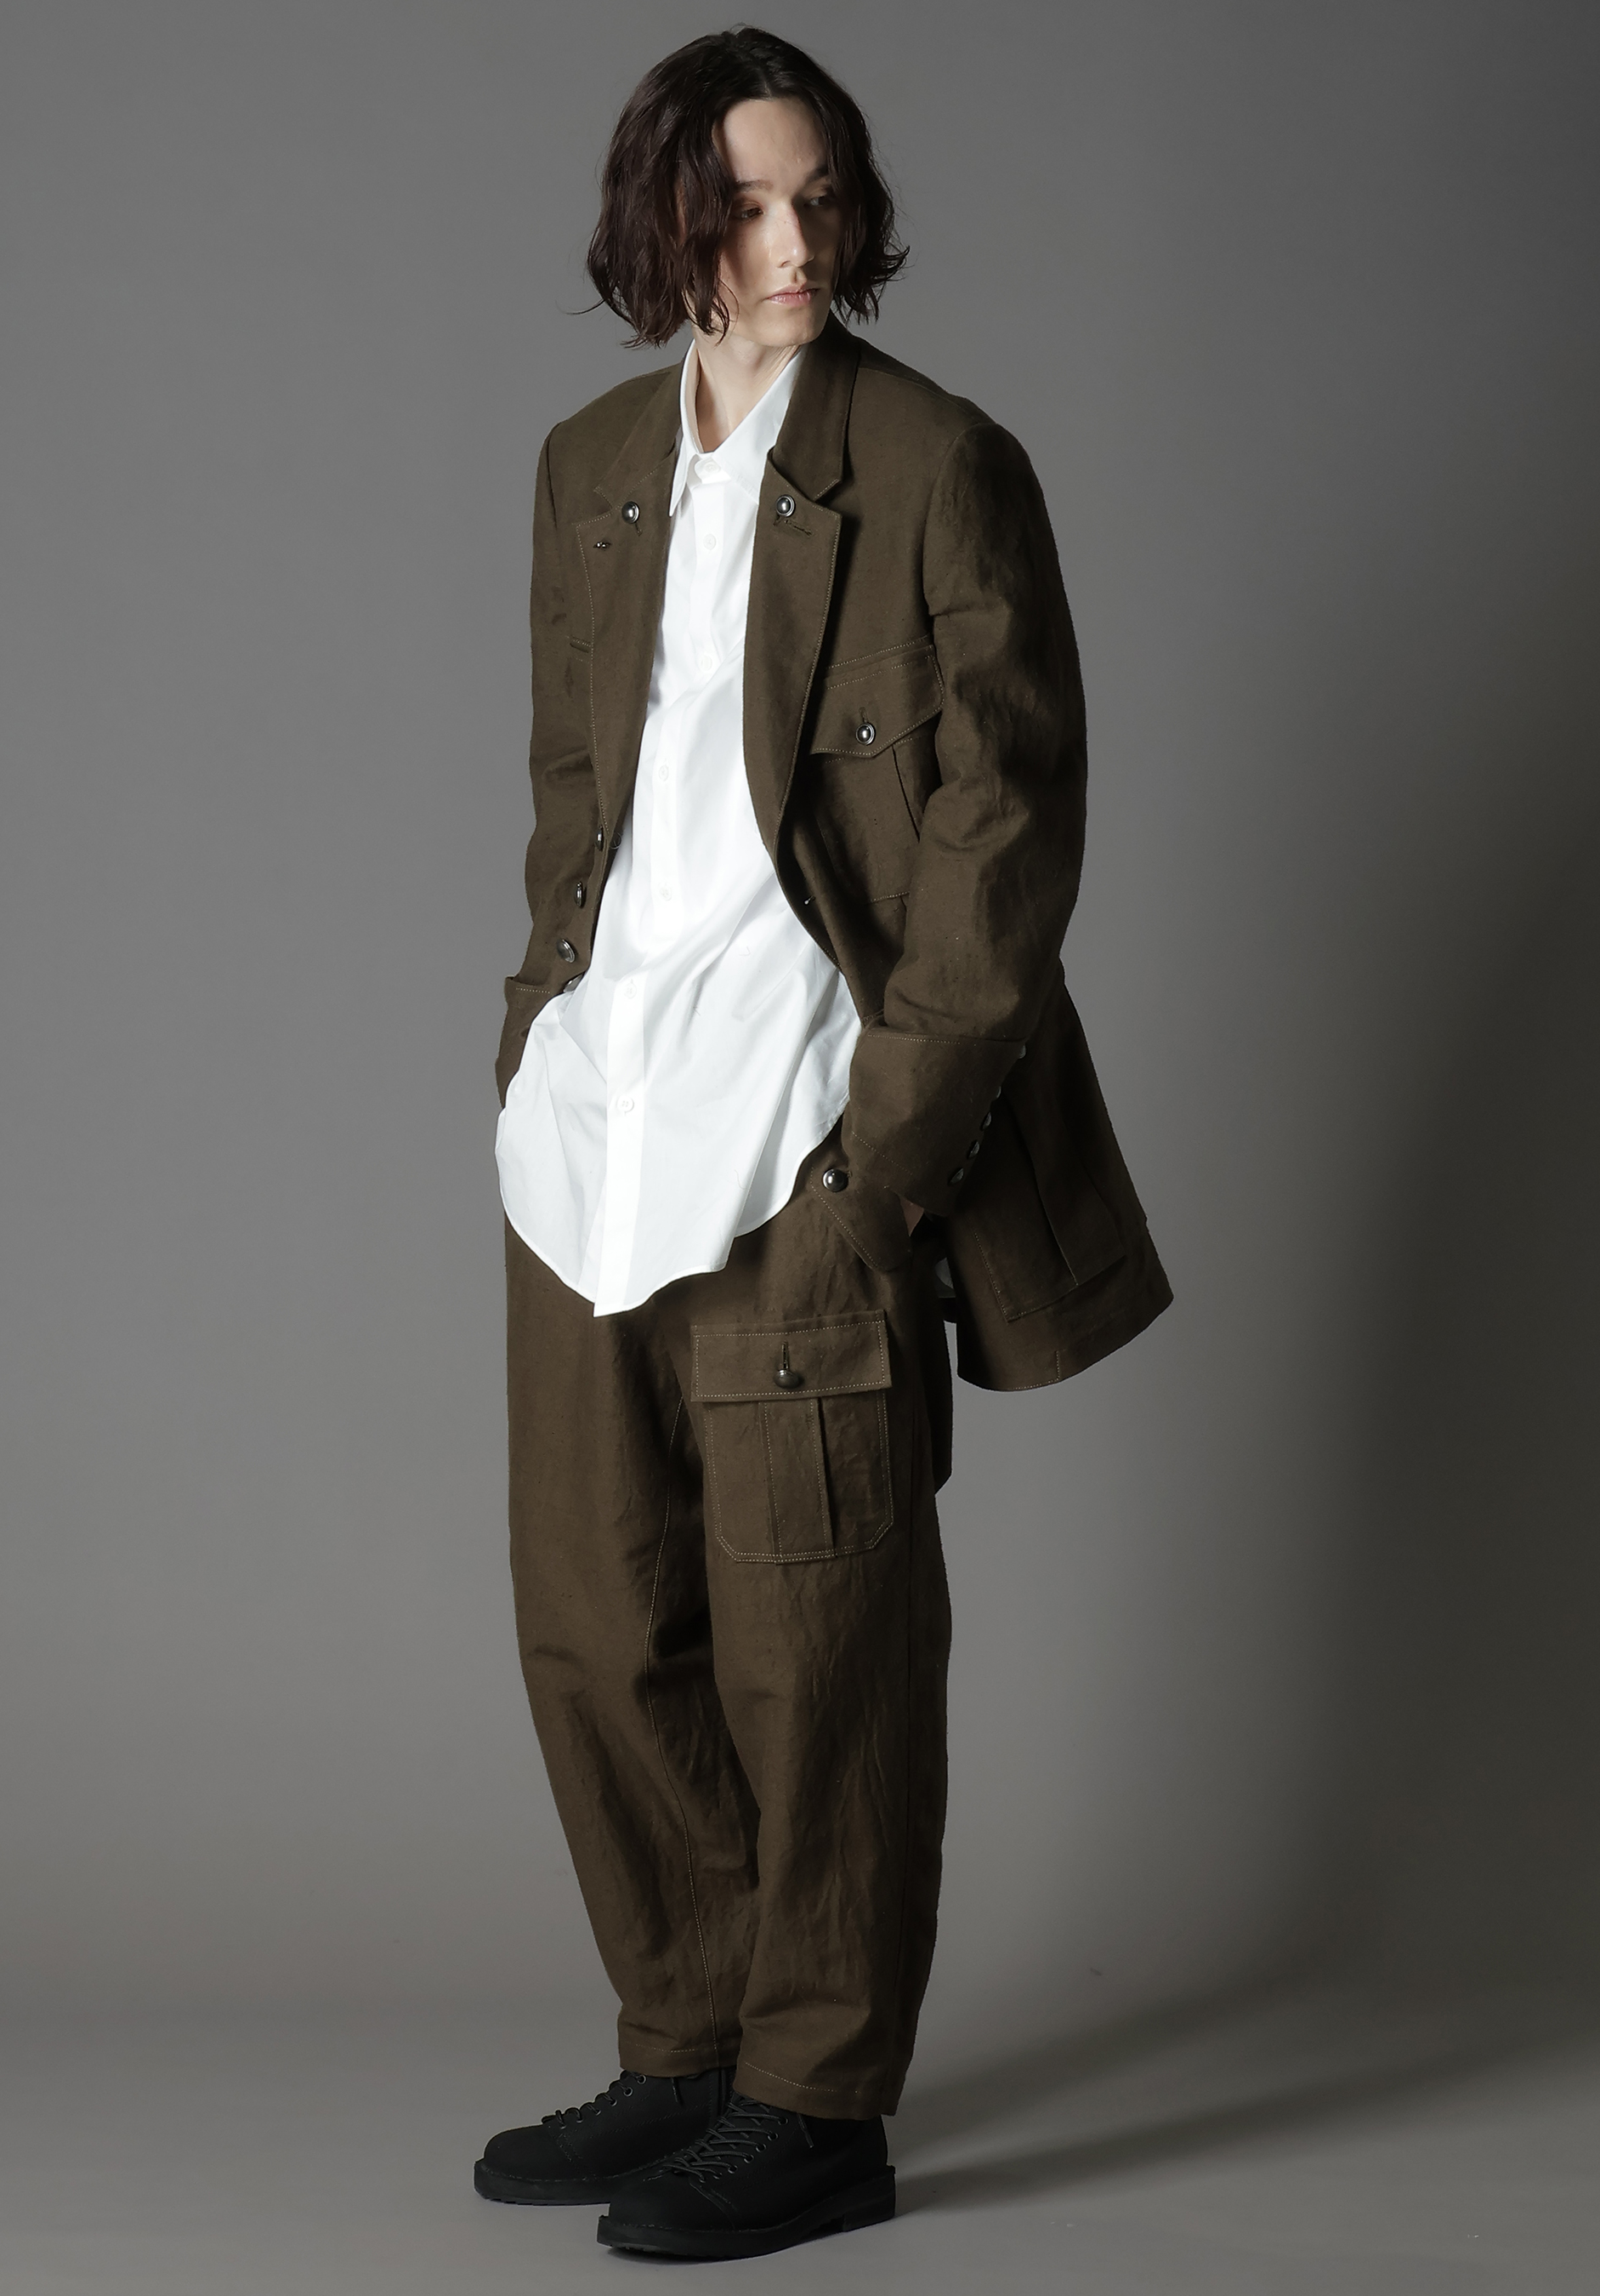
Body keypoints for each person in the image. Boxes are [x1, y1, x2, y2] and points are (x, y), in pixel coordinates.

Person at [475, 26, 1171, 2264]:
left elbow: (1007, 835)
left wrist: (887, 1159)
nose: (794, 245)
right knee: (598, 1626)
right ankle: (685, 2036)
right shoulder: (589, 466)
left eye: (820, 198)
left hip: (808, 1139)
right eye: (746, 206)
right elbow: (575, 804)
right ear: (661, 223)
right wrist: (537, 1045)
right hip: (598, 1138)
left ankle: (810, 2097)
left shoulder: (939, 463)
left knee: (819, 1646)